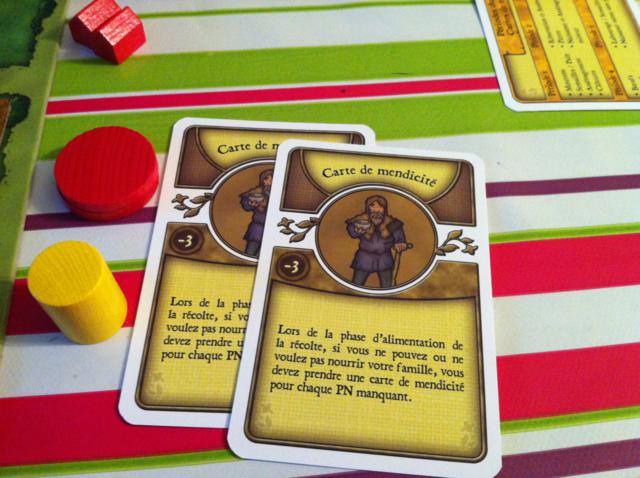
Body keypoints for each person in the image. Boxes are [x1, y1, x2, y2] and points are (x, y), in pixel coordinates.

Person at [346, 195, 407, 288]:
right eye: (373, 207)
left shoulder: (392, 223)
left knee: (387, 286)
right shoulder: (361, 220)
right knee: (357, 284)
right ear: (368, 208)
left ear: (384, 208)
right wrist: (357, 230)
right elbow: (353, 233)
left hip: (384, 259)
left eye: (380, 207)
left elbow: (399, 237)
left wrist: (400, 243)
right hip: (364, 258)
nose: (376, 210)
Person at [240, 169, 273, 257]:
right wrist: (250, 204)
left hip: (272, 230)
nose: (269, 182)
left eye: (271, 179)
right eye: (267, 179)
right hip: (257, 229)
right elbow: (246, 205)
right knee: (250, 254)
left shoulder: (279, 193)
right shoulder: (257, 192)